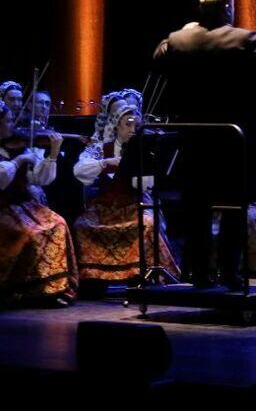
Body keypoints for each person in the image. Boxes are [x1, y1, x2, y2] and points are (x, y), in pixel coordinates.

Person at [152, 0, 256, 289]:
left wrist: (186, 30)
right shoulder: (242, 40)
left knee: (198, 208)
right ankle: (230, 274)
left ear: (201, 7)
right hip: (233, 143)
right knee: (234, 207)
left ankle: (198, 274)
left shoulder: (180, 40)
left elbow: (159, 55)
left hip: (193, 142)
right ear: (229, 7)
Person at [71, 104, 179, 288]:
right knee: (81, 224)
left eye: (137, 125)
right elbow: (79, 171)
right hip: (105, 208)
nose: (133, 129)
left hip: (134, 204)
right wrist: (106, 162)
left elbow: (152, 182)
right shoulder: (101, 148)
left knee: (147, 223)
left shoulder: (145, 149)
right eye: (128, 124)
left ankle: (141, 274)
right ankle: (93, 278)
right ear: (116, 125)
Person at [0, 104, 77, 305]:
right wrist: (18, 161)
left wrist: (53, 154)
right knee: (30, 233)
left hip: (23, 204)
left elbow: (39, 179)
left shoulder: (18, 146)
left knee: (58, 223)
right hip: (3, 207)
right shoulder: (14, 153)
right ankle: (27, 289)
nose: (13, 125)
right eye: (8, 121)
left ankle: (55, 287)